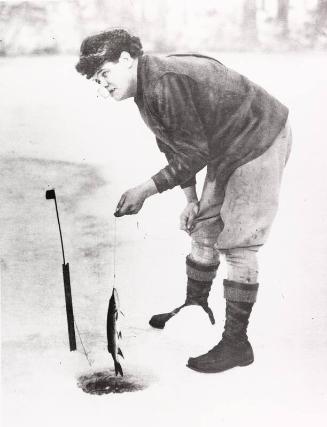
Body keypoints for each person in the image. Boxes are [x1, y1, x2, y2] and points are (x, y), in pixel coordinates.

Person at [75, 29, 292, 374]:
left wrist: (146, 189)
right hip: (226, 143)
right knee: (204, 228)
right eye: (96, 80)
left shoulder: (163, 83)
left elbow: (194, 152)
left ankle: (237, 343)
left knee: (238, 242)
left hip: (259, 136)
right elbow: (175, 143)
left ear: (126, 60)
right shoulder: (146, 89)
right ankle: (194, 308)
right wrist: (190, 198)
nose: (102, 86)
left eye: (104, 74)